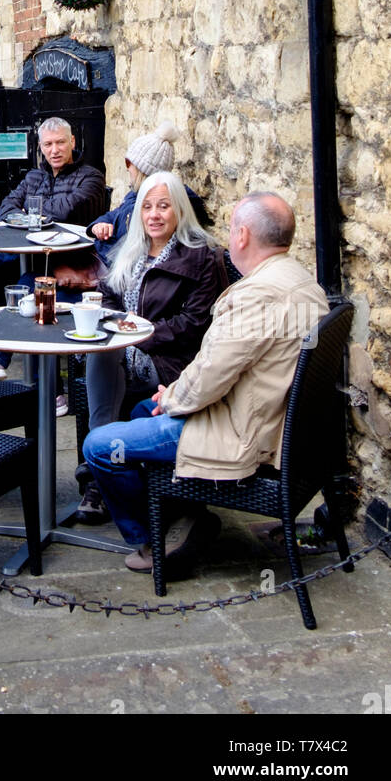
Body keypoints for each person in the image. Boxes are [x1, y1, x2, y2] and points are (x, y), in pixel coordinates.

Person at [83, 192, 328, 574]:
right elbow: (226, 368)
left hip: (242, 433)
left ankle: (152, 540)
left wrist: (174, 397)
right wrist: (174, 394)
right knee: (138, 410)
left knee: (99, 446)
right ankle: (183, 511)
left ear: (243, 235)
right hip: (282, 426)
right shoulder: (304, 283)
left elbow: (212, 374)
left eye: (232, 230)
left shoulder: (256, 295)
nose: (229, 238)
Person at [73, 171, 224, 524]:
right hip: (123, 350)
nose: (154, 215)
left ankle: (97, 472)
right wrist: (110, 323)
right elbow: (109, 294)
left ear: (180, 211)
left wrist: (138, 334)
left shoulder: (201, 257)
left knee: (106, 353)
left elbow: (195, 323)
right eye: (148, 207)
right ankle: (101, 464)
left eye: (164, 207)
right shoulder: (132, 248)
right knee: (102, 351)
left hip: (170, 362)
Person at [0, 117, 106, 374]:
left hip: (67, 263)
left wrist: (29, 211)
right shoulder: (35, 176)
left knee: (22, 282)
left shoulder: (90, 177)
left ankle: (5, 362)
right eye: (48, 144)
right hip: (27, 253)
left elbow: (66, 210)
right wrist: (28, 212)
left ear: (72, 142)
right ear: (41, 147)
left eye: (60, 143)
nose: (54, 150)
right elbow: (7, 208)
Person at [53, 120, 210, 294]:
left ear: (142, 169)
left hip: (114, 277)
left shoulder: (148, 206)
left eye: (129, 163)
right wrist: (99, 226)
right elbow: (113, 215)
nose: (127, 168)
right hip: (107, 270)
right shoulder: (134, 195)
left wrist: (101, 241)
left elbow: (126, 250)